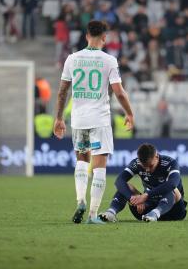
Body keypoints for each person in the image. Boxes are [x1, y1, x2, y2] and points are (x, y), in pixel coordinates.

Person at [53, 20, 135, 225]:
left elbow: (63, 91)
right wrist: (129, 113)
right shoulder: (109, 60)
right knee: (99, 165)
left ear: (86, 35)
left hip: (79, 119)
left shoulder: (72, 59)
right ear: (105, 38)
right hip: (100, 119)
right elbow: (119, 92)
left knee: (82, 160)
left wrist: (59, 118)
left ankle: (80, 200)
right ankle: (92, 214)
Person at [99, 143, 187, 223]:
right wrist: (134, 199)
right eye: (144, 167)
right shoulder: (136, 163)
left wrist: (146, 196)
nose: (148, 170)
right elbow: (119, 181)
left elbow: (172, 184)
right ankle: (111, 212)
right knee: (127, 186)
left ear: (156, 156)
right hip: (145, 210)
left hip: (174, 211)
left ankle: (155, 214)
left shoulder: (169, 163)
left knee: (172, 189)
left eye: (150, 166)